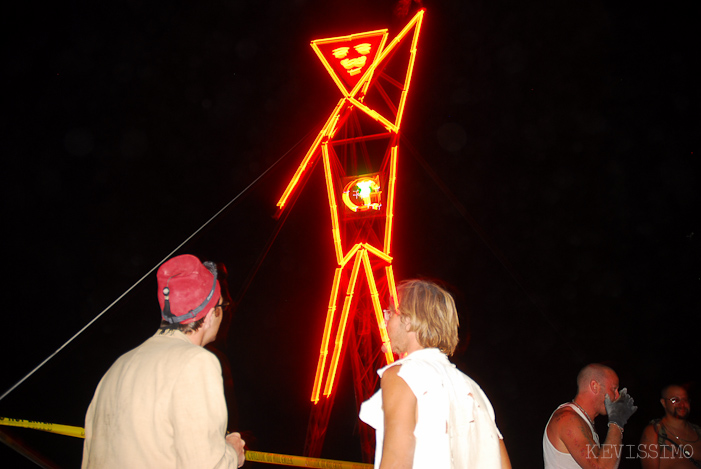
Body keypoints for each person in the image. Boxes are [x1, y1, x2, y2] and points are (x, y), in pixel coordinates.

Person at [82, 254, 245, 468]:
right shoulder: (197, 362)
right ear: (209, 314)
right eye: (222, 307)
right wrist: (232, 453)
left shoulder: (119, 365)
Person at [358, 279, 512, 468]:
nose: (383, 323)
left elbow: (397, 460)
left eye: (390, 313)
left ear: (408, 320)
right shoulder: (472, 388)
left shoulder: (403, 375)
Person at [543, 363, 637, 469]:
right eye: (613, 389)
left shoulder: (583, 420)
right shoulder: (568, 419)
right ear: (594, 386)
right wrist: (617, 421)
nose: (617, 396)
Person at [639, 384, 701, 468]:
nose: (682, 404)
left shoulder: (697, 431)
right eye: (675, 400)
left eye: (685, 399)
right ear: (664, 403)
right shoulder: (654, 432)